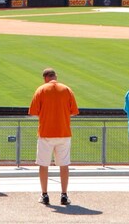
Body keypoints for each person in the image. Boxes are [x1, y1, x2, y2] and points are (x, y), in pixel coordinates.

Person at [29, 68, 79, 206]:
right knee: (64, 165)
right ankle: (64, 195)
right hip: (63, 132)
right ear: (55, 76)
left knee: (43, 165)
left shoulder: (41, 90)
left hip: (45, 133)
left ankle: (44, 195)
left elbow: (33, 112)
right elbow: (74, 111)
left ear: (45, 78)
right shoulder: (67, 89)